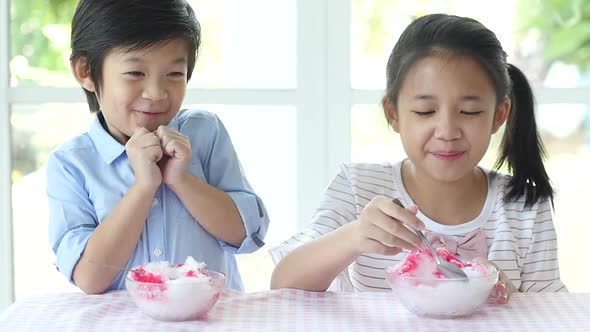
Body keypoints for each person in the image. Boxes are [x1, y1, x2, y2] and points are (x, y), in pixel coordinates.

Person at [270, 14, 566, 303]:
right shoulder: (358, 186)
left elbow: (556, 312)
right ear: (393, 114)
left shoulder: (524, 206)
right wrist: (355, 236)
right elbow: (284, 283)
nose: (448, 132)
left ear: (498, 115)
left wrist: (514, 299)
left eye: (470, 112)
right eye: (425, 112)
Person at [47, 0, 269, 294]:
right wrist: (143, 187)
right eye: (135, 73)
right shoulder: (71, 164)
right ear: (86, 70)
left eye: (174, 74)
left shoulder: (205, 132)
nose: (156, 93)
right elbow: (89, 278)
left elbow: (247, 235)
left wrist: (180, 179)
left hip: (211, 321)